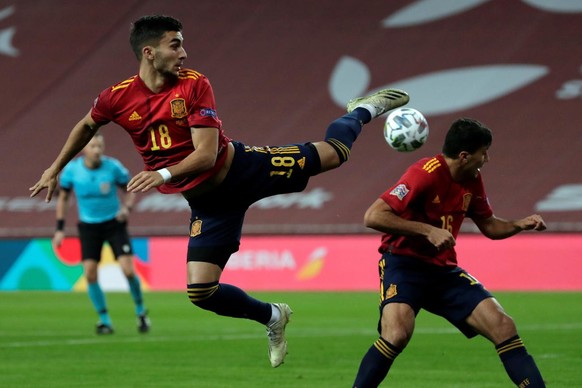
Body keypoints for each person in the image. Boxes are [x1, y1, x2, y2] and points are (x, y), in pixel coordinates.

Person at [29, 15, 409, 367]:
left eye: (182, 45)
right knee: (201, 292)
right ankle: (273, 316)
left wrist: (161, 175)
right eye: (175, 45)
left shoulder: (194, 84)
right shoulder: (117, 96)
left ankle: (363, 109)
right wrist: (54, 167)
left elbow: (206, 155)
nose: (183, 53)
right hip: (208, 203)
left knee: (334, 155)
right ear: (149, 52)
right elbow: (86, 125)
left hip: (243, 170)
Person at [352, 118, 546, 387]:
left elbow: (489, 226)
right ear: (465, 156)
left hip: (443, 271)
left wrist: (518, 224)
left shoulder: (472, 179)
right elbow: (373, 216)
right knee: (396, 335)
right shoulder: (424, 173)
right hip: (403, 265)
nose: (487, 158)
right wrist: (427, 230)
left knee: (503, 326)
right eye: (483, 152)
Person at [53, 132, 150, 335]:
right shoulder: (72, 171)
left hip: (114, 223)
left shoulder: (113, 167)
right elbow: (62, 199)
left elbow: (130, 189)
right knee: (89, 273)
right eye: (93, 147)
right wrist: (60, 229)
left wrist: (126, 209)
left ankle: (141, 312)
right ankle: (105, 320)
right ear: (83, 149)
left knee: (128, 270)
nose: (97, 151)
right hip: (88, 227)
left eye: (100, 146)